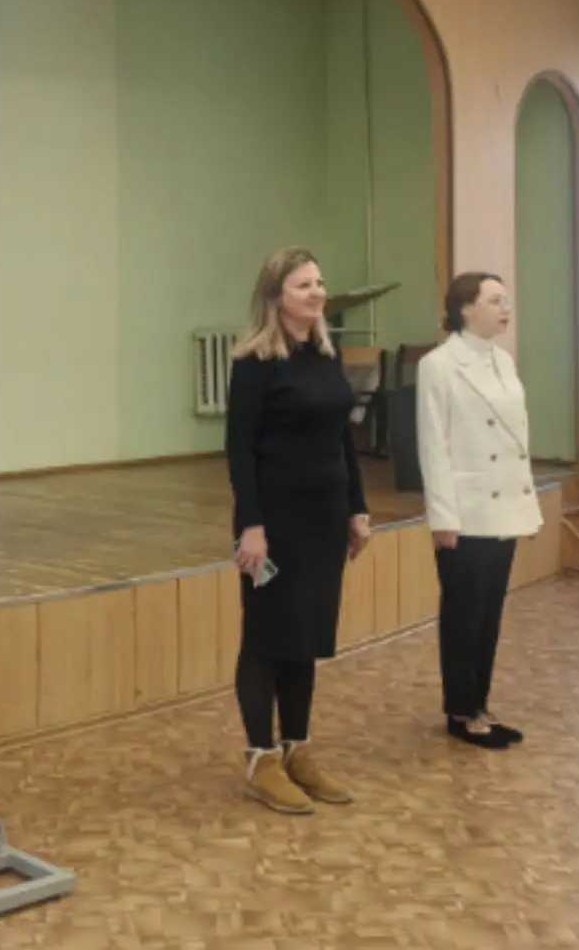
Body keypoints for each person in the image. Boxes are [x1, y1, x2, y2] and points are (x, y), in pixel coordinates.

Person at [226, 247, 371, 815]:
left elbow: (342, 439)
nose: (317, 292)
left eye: (319, 282)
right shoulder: (254, 363)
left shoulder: (326, 355)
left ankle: (297, 749)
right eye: (303, 285)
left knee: (304, 635)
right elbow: (239, 452)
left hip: (323, 519)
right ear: (275, 297)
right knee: (266, 638)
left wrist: (356, 508)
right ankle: (261, 759)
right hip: (273, 523)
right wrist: (251, 526)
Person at [417, 272, 540, 749]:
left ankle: (480, 705)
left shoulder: (503, 360)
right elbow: (433, 446)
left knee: (489, 615)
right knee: (463, 615)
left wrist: (524, 502)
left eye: (506, 300)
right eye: (495, 300)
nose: (506, 308)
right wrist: (442, 517)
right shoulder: (439, 365)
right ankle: (460, 712)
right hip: (465, 511)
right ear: (466, 309)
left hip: (504, 507)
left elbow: (516, 441)